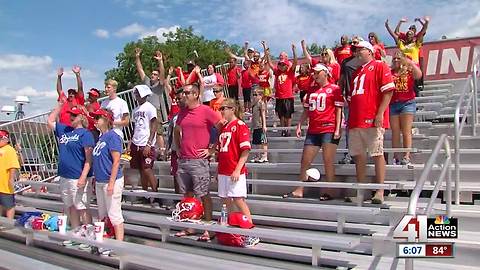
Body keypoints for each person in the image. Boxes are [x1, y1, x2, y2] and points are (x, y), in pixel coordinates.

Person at [283, 64, 343, 200]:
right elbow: (307, 110)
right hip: (314, 129)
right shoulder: (311, 90)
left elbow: (339, 110)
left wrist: (337, 128)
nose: (315, 75)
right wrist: (299, 124)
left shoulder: (335, 89)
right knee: (305, 160)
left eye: (317, 72)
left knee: (328, 160)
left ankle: (330, 189)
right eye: (314, 73)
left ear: (325, 73)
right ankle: (300, 188)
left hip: (328, 127)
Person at [174, 83, 223, 241]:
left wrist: (212, 149)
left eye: (187, 93)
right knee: (187, 195)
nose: (183, 95)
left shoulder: (205, 110)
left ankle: (208, 227)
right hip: (184, 159)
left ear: (195, 94)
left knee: (203, 194)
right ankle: (190, 226)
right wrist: (178, 148)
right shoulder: (182, 112)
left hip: (199, 160)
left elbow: (221, 124)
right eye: (183, 93)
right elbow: (177, 129)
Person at [347, 41, 395, 204]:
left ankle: (380, 190)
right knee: (358, 156)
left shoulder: (380, 66)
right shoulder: (356, 72)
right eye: (356, 50)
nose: (357, 53)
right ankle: (361, 192)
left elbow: (388, 92)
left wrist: (380, 114)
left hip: (371, 118)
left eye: (360, 50)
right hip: (356, 120)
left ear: (369, 51)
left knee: (376, 153)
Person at [47, 103, 95, 229]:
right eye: (70, 114)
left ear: (82, 117)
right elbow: (50, 120)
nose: (71, 117)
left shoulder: (86, 134)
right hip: (64, 175)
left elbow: (89, 158)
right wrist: (60, 106)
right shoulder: (65, 130)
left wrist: (83, 176)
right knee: (71, 206)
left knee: (82, 206)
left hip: (77, 176)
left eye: (74, 115)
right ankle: (76, 232)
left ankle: (89, 234)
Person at [215, 99, 254, 224]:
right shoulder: (224, 127)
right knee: (225, 200)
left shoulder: (240, 125)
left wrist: (237, 170)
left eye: (224, 108)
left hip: (234, 169)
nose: (221, 111)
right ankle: (230, 222)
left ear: (232, 109)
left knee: (238, 199)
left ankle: (249, 225)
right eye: (220, 109)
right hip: (223, 169)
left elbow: (245, 150)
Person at [91, 109, 125, 241]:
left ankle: (119, 243)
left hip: (111, 180)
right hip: (100, 180)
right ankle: (105, 240)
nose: (95, 121)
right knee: (103, 214)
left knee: (114, 213)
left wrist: (111, 183)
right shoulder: (101, 138)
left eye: (98, 118)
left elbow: (116, 160)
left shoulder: (113, 136)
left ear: (106, 120)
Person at [390, 52, 422, 166]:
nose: (396, 60)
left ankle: (406, 156)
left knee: (406, 131)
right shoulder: (390, 72)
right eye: (394, 58)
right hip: (393, 103)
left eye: (398, 58)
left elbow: (419, 75)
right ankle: (396, 156)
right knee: (395, 131)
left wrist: (411, 63)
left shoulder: (408, 70)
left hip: (407, 102)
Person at [134, 48, 167, 160]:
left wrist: (160, 61)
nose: (152, 75)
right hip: (144, 110)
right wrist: (137, 57)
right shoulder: (147, 82)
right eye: (152, 74)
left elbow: (162, 74)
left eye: (154, 74)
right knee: (146, 130)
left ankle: (162, 153)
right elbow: (140, 69)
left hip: (155, 110)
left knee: (158, 132)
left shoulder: (159, 86)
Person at [130, 85, 159, 200]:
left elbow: (154, 124)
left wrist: (149, 143)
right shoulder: (135, 110)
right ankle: (145, 194)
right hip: (136, 142)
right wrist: (130, 143)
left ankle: (155, 194)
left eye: (138, 92)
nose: (136, 95)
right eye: (135, 93)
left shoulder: (150, 107)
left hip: (146, 143)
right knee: (141, 169)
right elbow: (134, 127)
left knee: (147, 168)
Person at [263, 41, 297, 137]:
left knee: (288, 115)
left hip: (288, 96)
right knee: (281, 115)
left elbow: (295, 62)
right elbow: (269, 63)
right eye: (280, 64)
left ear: (286, 65)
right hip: (279, 96)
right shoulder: (277, 72)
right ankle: (283, 130)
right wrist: (266, 50)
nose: (282, 66)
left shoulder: (290, 72)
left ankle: (288, 130)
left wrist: (294, 51)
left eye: (283, 64)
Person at [337, 37, 361, 165]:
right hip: (349, 97)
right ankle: (349, 153)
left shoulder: (365, 61)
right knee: (349, 128)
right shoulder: (345, 61)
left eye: (356, 43)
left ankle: (359, 154)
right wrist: (340, 94)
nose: (354, 45)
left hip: (362, 98)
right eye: (352, 43)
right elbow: (341, 79)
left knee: (361, 127)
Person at [0, 130, 20, 219]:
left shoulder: (9, 150)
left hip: (5, 184)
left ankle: (9, 222)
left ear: (6, 139)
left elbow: (12, 165)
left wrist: (11, 178)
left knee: (9, 205)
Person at [250, 87, 268, 163]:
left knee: (263, 141)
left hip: (260, 125)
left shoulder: (261, 103)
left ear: (260, 95)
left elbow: (263, 114)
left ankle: (264, 155)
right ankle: (257, 155)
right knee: (256, 142)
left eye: (256, 95)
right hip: (255, 125)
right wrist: (251, 127)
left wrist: (264, 125)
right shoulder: (254, 104)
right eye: (253, 94)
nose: (254, 96)